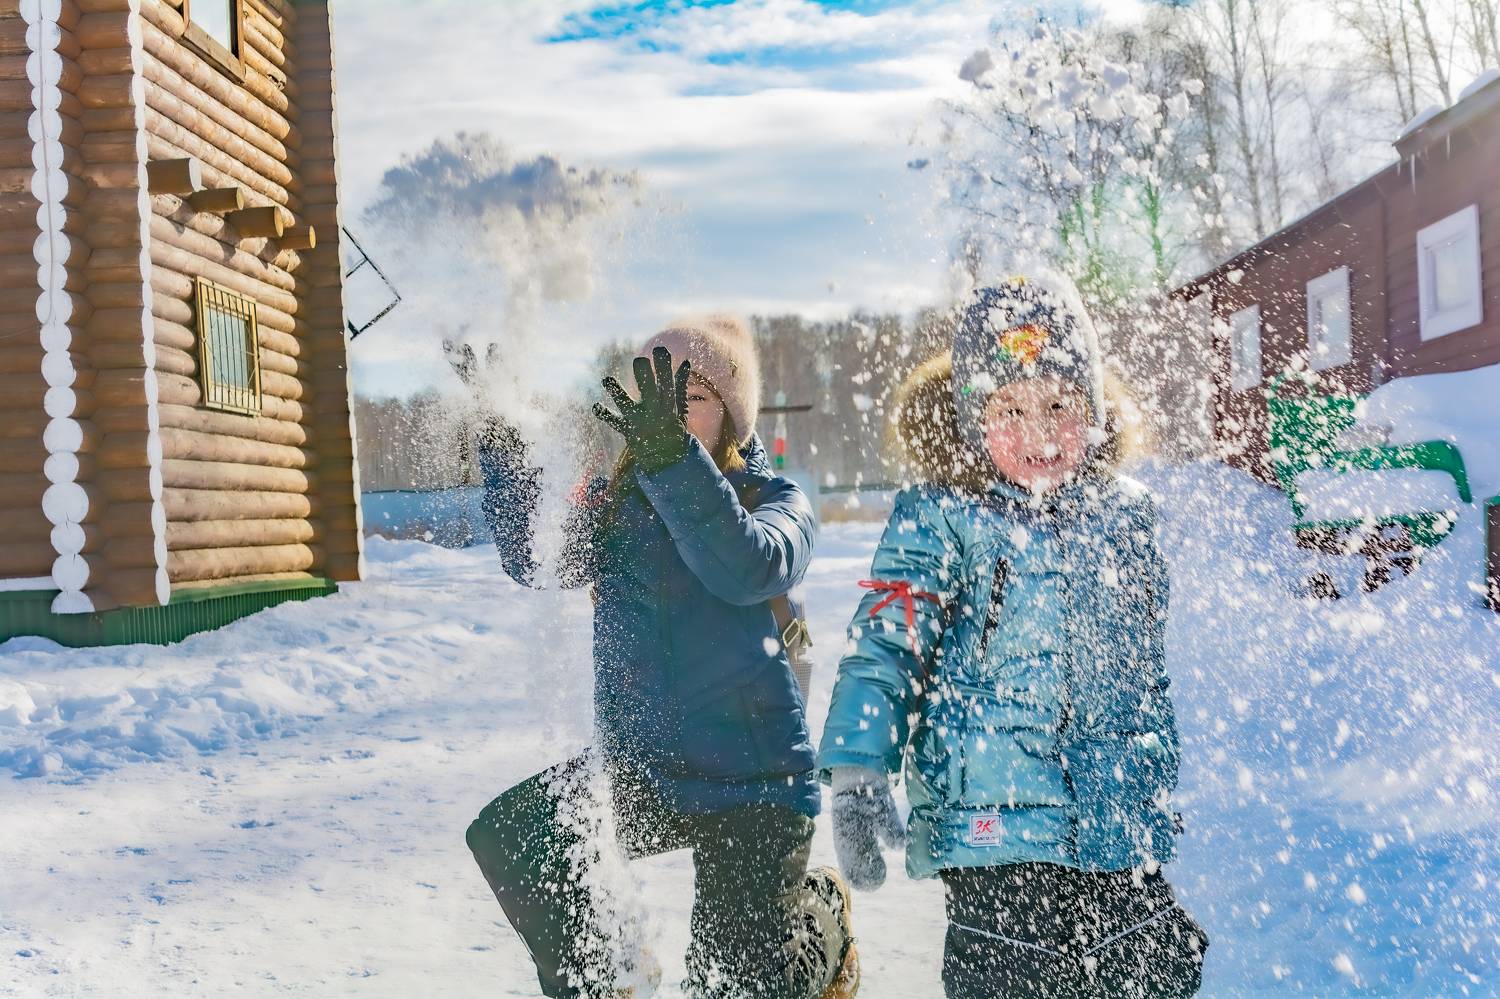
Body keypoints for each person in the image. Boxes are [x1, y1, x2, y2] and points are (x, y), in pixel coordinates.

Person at [817, 277, 1208, 998]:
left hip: (1113, 821)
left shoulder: (1127, 516)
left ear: (1092, 408)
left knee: (1147, 973)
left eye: (1059, 405)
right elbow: (887, 643)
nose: (1038, 433)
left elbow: (1143, 670)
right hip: (991, 828)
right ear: (974, 419)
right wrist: (857, 766)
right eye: (1010, 409)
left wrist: (1147, 778)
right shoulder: (942, 516)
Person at [461, 317, 858, 999]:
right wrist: (500, 431)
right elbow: (537, 554)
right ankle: (611, 975)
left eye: (692, 397)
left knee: (730, 987)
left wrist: (675, 463)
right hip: (645, 772)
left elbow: (746, 568)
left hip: (753, 786)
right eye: (656, 398)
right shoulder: (614, 510)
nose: (670, 414)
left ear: (731, 417)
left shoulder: (773, 501)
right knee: (516, 836)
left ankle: (821, 923)